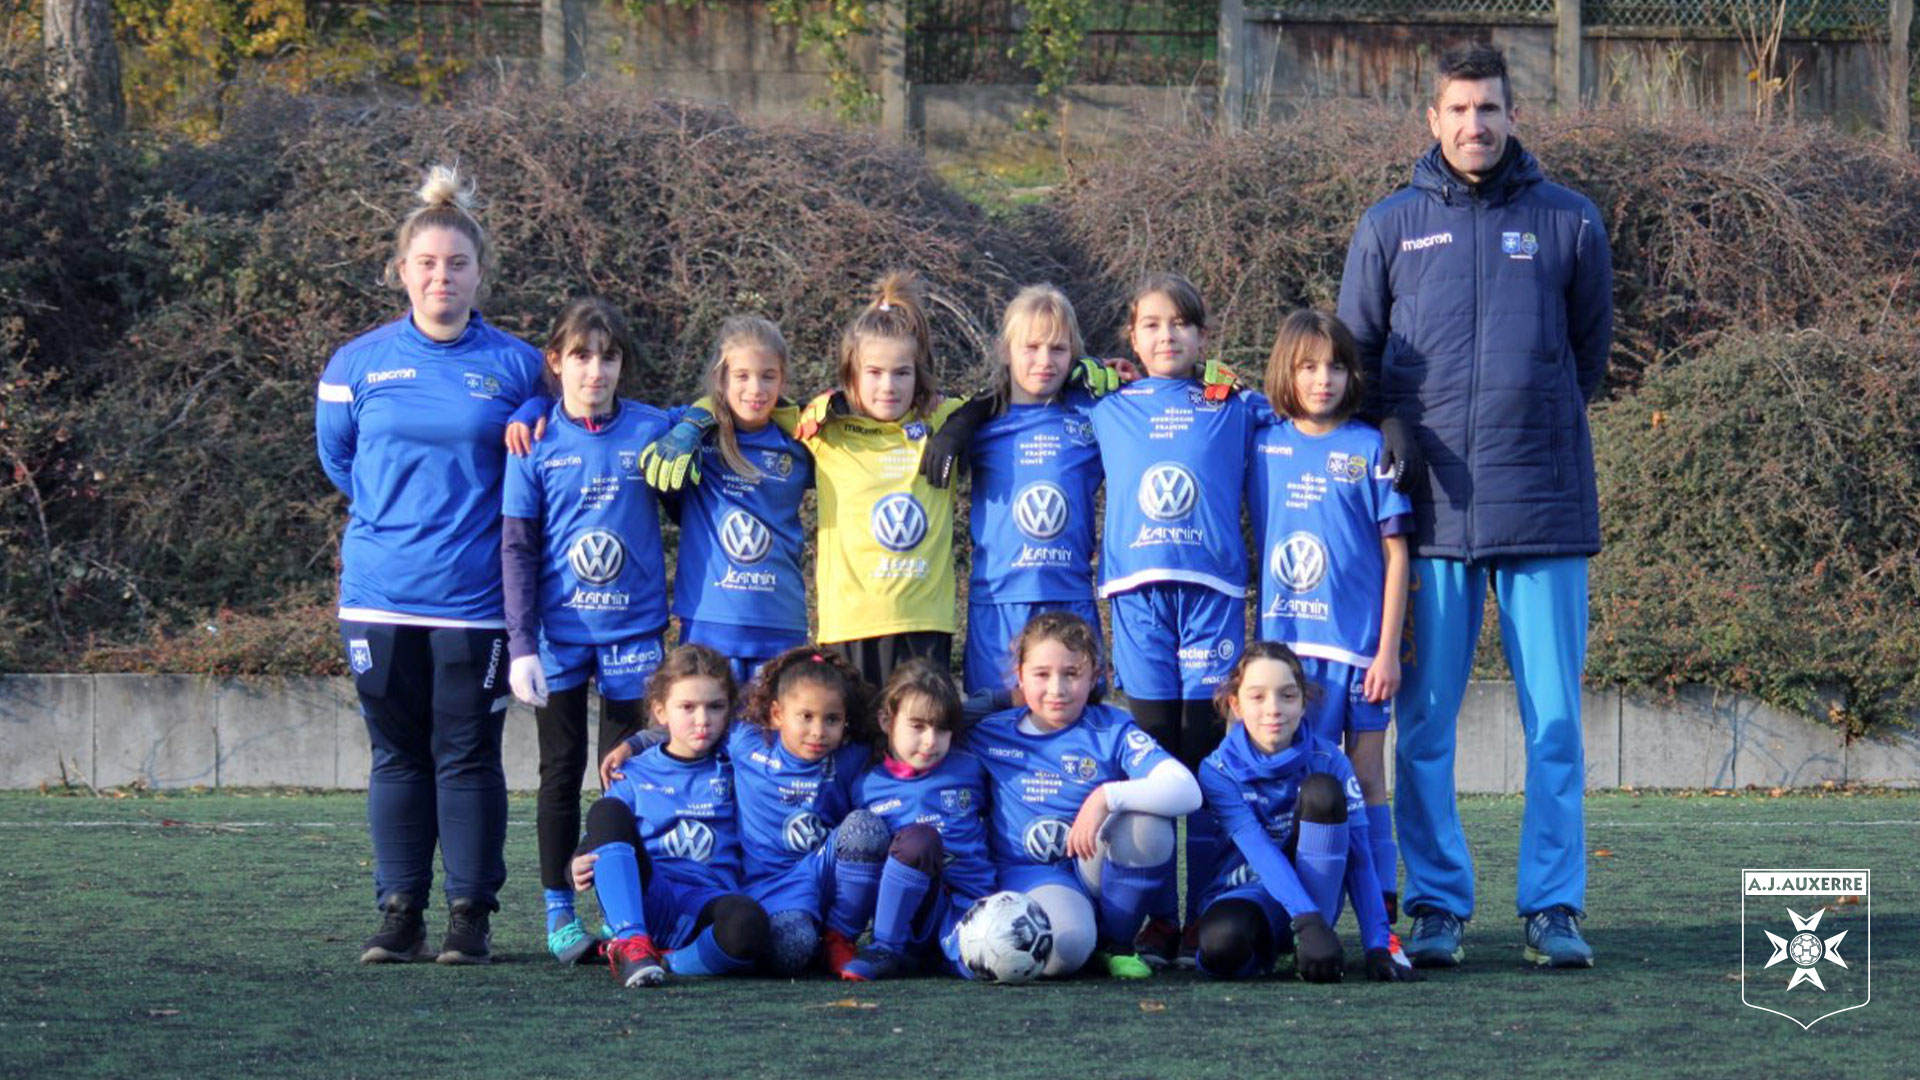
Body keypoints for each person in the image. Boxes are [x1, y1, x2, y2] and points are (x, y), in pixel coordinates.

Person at [1335, 43, 1614, 969]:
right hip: (1433, 522)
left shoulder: (1570, 223)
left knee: (1557, 723)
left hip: (1543, 512)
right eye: (1458, 110)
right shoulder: (1388, 227)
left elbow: (1588, 358)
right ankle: (1439, 905)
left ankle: (1554, 909)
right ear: (1432, 118)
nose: (1474, 126)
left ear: (1512, 114)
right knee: (1423, 726)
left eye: (1489, 109)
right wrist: (1393, 438)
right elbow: (1355, 366)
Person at [315, 165, 546, 965]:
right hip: (379, 595)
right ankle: (399, 910)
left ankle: (469, 917)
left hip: (475, 600)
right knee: (397, 755)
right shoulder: (354, 365)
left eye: (457, 264)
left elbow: (551, 445)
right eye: (427, 263)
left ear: (480, 273)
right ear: (401, 271)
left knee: (468, 754)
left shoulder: (520, 367)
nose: (441, 276)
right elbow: (340, 463)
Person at [1087, 272, 1256, 966]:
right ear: (1133, 337)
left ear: (1204, 337)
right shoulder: (1107, 403)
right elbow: (1040, 368)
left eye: (1181, 324)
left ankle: (1208, 907)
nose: (1167, 336)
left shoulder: (1234, 404)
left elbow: (1306, 407)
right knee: (1154, 756)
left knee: (1211, 760)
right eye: (1152, 324)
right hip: (1138, 596)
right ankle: (1156, 916)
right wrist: (1096, 370)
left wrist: (1240, 381)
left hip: (1212, 591)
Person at [501, 297, 671, 965]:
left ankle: (628, 917)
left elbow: (703, 417)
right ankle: (558, 915)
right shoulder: (534, 440)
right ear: (555, 363)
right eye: (580, 356)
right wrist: (519, 644)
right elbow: (515, 548)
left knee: (624, 778)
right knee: (560, 773)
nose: (595, 371)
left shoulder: (650, 429)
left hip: (635, 635)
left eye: (608, 357)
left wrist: (688, 429)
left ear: (622, 366)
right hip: (560, 636)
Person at [1248, 310, 1411, 925]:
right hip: (1287, 657)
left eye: (1336, 366)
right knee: (1296, 783)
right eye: (1308, 366)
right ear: (1286, 372)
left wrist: (1388, 650)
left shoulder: (1370, 448)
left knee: (1367, 775)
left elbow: (1397, 555)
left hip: (1360, 652)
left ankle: (1383, 901)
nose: (1323, 379)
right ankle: (1303, 909)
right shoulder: (1263, 441)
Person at [969, 612, 1201, 979]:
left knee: (1147, 827)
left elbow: (1186, 790)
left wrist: (1105, 796)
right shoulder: (990, 732)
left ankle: (1117, 943)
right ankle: (1087, 939)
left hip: (1093, 866)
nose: (1057, 689)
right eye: (1041, 674)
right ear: (1019, 674)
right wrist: (1000, 699)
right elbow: (937, 716)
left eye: (1072, 674)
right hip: (1032, 874)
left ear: (1095, 675)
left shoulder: (1111, 727)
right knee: (1065, 952)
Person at [1192, 642, 1413, 984]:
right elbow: (1260, 851)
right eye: (1257, 697)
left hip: (1316, 895)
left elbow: (1359, 857)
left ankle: (1310, 944)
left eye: (1287, 696)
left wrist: (1377, 946)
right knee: (1221, 945)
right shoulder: (1217, 770)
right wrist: (1306, 920)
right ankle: (1282, 951)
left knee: (1322, 791)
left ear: (1303, 702)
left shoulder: (1330, 761)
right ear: (1235, 704)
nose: (1274, 709)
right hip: (1253, 893)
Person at [569, 645, 771, 986]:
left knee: (749, 924)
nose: (703, 720)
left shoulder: (739, 766)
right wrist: (574, 863)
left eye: (716, 707)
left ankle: (669, 960)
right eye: (687, 708)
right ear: (661, 711)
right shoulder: (632, 772)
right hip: (650, 893)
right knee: (607, 809)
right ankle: (632, 941)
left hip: (709, 902)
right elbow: (603, 835)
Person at [946, 285, 1108, 696]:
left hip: (1068, 596)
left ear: (1075, 356)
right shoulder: (978, 423)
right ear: (1005, 350)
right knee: (995, 727)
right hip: (999, 601)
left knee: (1073, 725)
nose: (1043, 360)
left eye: (1058, 349)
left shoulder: (1094, 418)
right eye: (1031, 347)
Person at [665, 317, 814, 685]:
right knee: (704, 738)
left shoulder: (802, 442)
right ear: (721, 377)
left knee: (770, 739)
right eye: (742, 375)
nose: (756, 389)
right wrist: (534, 410)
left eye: (768, 376)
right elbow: (623, 419)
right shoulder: (693, 432)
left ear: (783, 379)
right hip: (710, 623)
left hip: (780, 623)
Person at [726, 646, 887, 976]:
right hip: (774, 887)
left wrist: (1007, 700)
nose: (818, 731)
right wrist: (635, 744)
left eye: (832, 719)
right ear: (776, 714)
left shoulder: (851, 756)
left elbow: (927, 718)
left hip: (825, 872)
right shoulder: (747, 744)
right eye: (806, 717)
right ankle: (808, 937)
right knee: (792, 951)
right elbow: (691, 730)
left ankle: (839, 936)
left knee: (866, 827)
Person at [840, 658, 996, 980]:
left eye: (942, 729)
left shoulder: (971, 767)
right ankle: (884, 947)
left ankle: (953, 954)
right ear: (886, 719)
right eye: (918, 726)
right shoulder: (866, 783)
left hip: (968, 910)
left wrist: (1013, 696)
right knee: (919, 841)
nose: (930, 741)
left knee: (990, 968)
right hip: (907, 921)